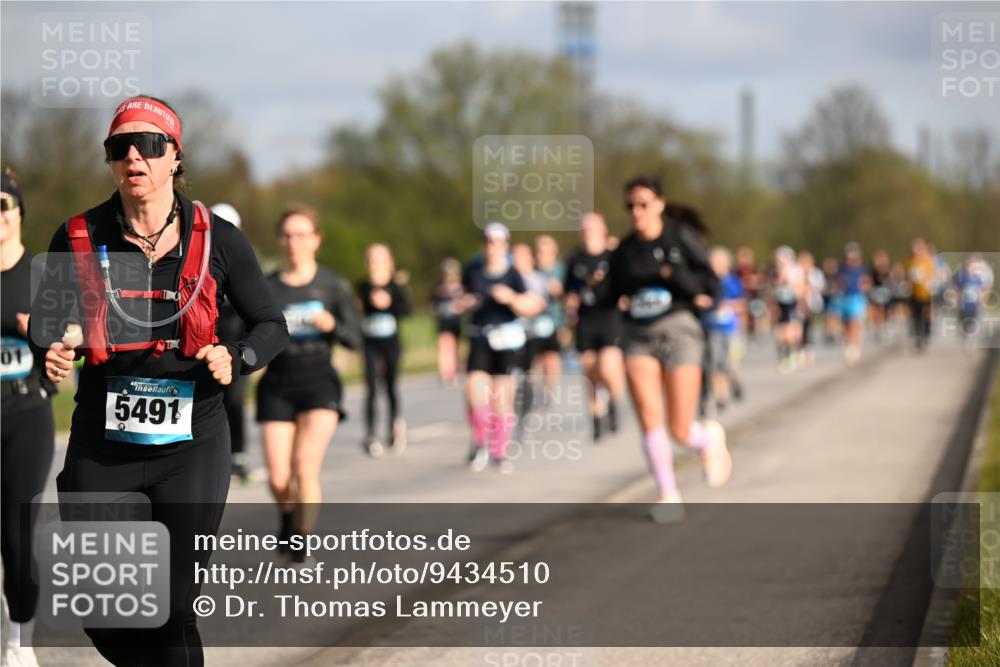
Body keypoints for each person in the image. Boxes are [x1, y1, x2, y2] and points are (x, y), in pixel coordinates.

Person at [30, 96, 288, 666]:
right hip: (104, 445)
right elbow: (44, 328)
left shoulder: (219, 238)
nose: (133, 158)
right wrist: (53, 350)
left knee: (169, 606)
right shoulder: (77, 236)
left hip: (193, 442)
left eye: (149, 145)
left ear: (174, 156)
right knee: (106, 612)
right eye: (119, 147)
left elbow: (273, 324)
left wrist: (238, 356)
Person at [610, 177, 731, 522]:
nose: (637, 212)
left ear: (660, 204)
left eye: (643, 204)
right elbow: (609, 293)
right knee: (649, 417)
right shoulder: (624, 250)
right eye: (631, 206)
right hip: (638, 334)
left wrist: (699, 294)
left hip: (679, 329)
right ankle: (668, 494)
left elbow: (709, 280)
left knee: (679, 428)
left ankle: (707, 439)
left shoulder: (679, 238)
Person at [257, 204, 361, 561]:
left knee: (305, 466)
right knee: (277, 477)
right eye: (287, 235)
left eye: (302, 235)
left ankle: (302, 539)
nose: (293, 242)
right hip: (277, 381)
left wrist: (334, 326)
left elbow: (355, 338)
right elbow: (249, 332)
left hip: (319, 379)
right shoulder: (267, 287)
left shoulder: (333, 285)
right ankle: (288, 516)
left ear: (315, 240)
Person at [1, 169, 55, 667]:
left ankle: (20, 638)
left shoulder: (40, 273)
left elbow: (72, 343)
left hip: (27, 415)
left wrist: (39, 330)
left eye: (3, 205)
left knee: (17, 534)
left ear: (19, 213)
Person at [459, 223, 543, 474]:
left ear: (504, 245)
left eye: (497, 242)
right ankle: (480, 442)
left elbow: (530, 305)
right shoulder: (473, 270)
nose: (492, 246)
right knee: (475, 392)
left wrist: (511, 298)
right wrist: (466, 302)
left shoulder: (513, 275)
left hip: (507, 340)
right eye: (487, 241)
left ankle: (500, 451)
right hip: (480, 337)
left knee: (501, 398)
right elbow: (460, 299)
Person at [564, 212, 626, 441]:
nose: (588, 231)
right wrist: (569, 315)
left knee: (609, 365)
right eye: (584, 228)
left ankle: (613, 400)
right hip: (586, 319)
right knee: (589, 369)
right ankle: (596, 416)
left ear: (602, 229)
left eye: (592, 227)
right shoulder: (575, 260)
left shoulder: (613, 256)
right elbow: (570, 292)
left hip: (610, 316)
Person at [210, 202, 254, 482]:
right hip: (208, 345)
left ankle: (238, 454)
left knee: (235, 400)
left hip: (237, 345)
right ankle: (214, 456)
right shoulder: (198, 260)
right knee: (210, 403)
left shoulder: (245, 261)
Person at [357, 243, 410, 456]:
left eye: (379, 260)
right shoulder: (362, 287)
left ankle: (394, 426)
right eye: (371, 260)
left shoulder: (396, 287)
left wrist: (389, 302)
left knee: (390, 385)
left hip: (391, 343)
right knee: (370, 386)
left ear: (389, 263)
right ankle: (370, 434)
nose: (375, 264)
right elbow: (356, 311)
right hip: (370, 343)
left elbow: (406, 311)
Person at [704, 246, 746, 413]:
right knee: (715, 364)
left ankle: (735, 381)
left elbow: (742, 304)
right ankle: (721, 396)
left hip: (731, 328)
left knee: (730, 363)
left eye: (718, 262)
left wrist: (729, 306)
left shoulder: (732, 282)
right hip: (712, 328)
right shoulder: (705, 281)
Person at [532, 235, 566, 397]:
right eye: (539, 251)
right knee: (536, 359)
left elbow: (569, 298)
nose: (542, 255)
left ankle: (549, 393)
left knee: (552, 358)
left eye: (546, 251)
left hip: (555, 321)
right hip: (534, 323)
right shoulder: (532, 270)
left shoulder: (561, 269)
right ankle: (534, 392)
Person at [432, 258, 465, 386]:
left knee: (454, 346)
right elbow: (433, 305)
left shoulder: (460, 288)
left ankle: (454, 370)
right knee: (443, 346)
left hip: (455, 321)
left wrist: (460, 306)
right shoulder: (439, 289)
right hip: (443, 321)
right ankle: (444, 372)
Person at [837, 242, 871, 367]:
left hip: (856, 298)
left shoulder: (861, 269)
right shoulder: (842, 269)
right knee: (846, 325)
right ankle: (850, 345)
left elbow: (867, 283)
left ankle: (853, 349)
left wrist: (864, 287)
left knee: (853, 324)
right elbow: (838, 283)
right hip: (844, 298)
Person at [772, 245, 805, 373]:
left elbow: (800, 289)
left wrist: (788, 280)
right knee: (781, 333)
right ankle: (785, 355)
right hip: (781, 304)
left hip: (793, 303)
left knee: (791, 332)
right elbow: (774, 289)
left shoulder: (795, 270)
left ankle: (793, 354)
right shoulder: (776, 271)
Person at [905, 238, 935, 352]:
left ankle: (927, 332)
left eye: (918, 248)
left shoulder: (928, 261)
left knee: (926, 315)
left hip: (926, 293)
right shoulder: (909, 262)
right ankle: (918, 338)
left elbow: (933, 275)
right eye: (914, 248)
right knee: (916, 317)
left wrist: (925, 279)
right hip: (914, 293)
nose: (915, 250)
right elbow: (906, 277)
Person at [868, 249, 893, 343]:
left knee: (884, 310)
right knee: (876, 310)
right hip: (876, 291)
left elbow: (890, 280)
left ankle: (884, 327)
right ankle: (878, 329)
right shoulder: (872, 270)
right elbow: (870, 281)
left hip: (885, 291)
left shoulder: (888, 268)